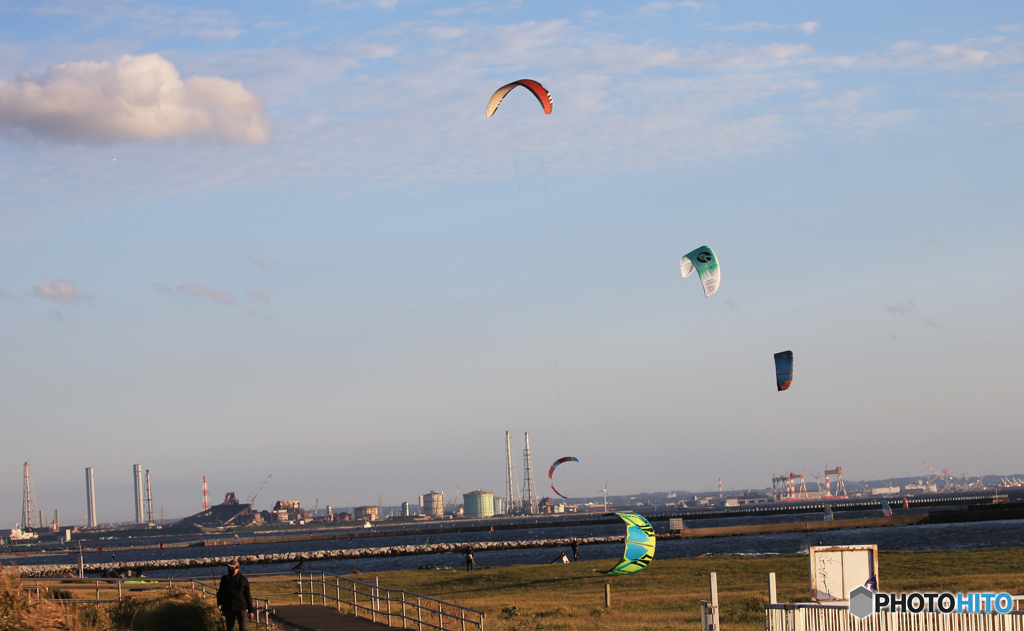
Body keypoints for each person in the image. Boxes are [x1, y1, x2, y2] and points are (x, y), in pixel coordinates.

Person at [217, 559, 254, 631]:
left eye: (235, 568)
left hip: (241, 607)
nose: (233, 570)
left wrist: (250, 611)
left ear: (238, 569)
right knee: (230, 628)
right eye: (231, 568)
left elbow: (248, 596)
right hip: (229, 608)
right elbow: (220, 593)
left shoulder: (243, 580)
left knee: (243, 628)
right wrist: (219, 603)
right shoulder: (225, 579)